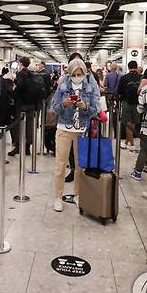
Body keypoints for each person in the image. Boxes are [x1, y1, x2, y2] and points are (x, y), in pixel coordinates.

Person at [50, 58, 99, 212]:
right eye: (74, 74)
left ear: (84, 73)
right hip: (64, 128)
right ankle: (58, 197)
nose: (77, 76)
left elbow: (96, 109)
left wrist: (85, 106)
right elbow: (54, 107)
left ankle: (78, 195)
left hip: (82, 130)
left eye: (80, 73)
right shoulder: (63, 85)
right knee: (60, 165)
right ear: (69, 73)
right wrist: (64, 104)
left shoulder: (90, 85)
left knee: (80, 166)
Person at [10, 56, 43, 156]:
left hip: (22, 104)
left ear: (21, 63)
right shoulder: (32, 74)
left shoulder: (20, 74)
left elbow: (20, 87)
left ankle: (18, 147)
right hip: (31, 104)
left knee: (18, 127)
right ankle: (28, 147)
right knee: (29, 126)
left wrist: (13, 93)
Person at [117, 60, 142, 151]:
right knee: (134, 122)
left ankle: (130, 143)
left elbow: (119, 91)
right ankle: (129, 142)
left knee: (128, 123)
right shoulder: (141, 77)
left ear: (128, 67)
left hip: (126, 102)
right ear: (136, 66)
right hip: (138, 103)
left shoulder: (124, 77)